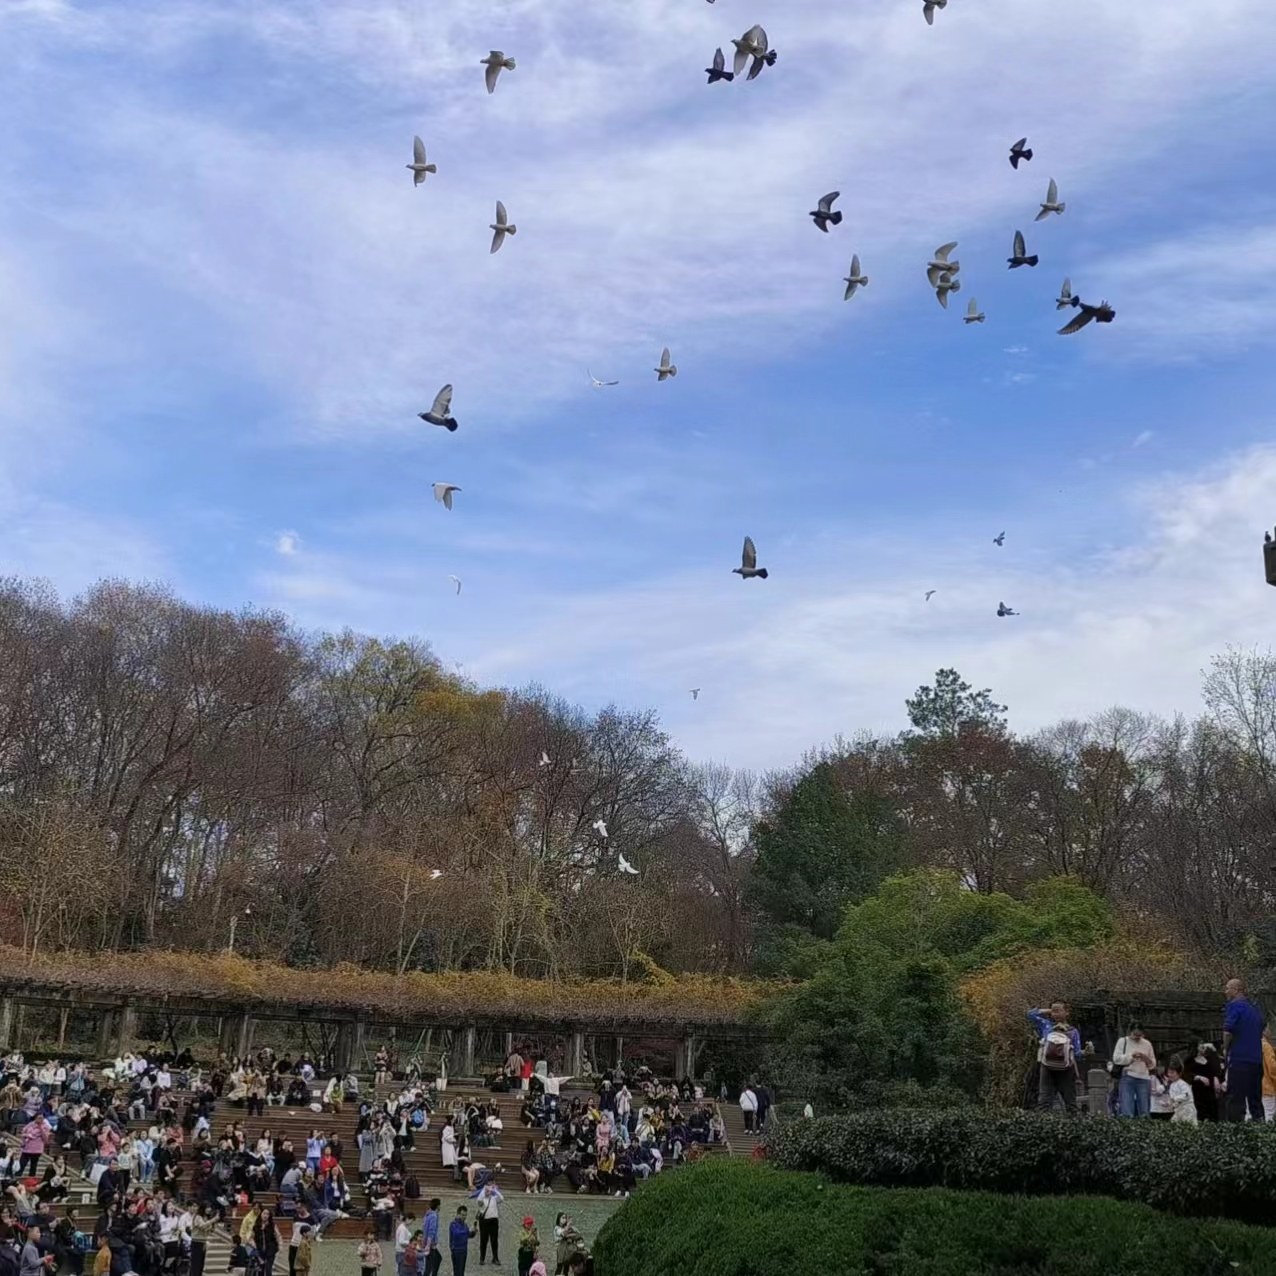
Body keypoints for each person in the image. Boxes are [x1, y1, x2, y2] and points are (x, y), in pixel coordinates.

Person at [1223, 977, 1266, 1122]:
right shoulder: (1255, 1009)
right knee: (1255, 1098)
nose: (1226, 991)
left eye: (1228, 988)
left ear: (1236, 990)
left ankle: (1234, 1133)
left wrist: (1225, 1049)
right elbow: (1261, 1028)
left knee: (1235, 1099)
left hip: (1239, 1059)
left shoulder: (1235, 1006)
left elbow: (1228, 1031)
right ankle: (1260, 1128)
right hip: (1256, 1059)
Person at [1026, 1003, 1082, 1114]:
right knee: (1045, 1100)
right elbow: (1030, 1014)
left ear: (1067, 1012)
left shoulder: (1071, 1031)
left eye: (1059, 1010)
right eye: (1054, 1011)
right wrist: (1048, 1010)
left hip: (1059, 1067)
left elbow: (1077, 1053)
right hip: (1051, 1067)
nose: (1055, 1013)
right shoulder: (1046, 1025)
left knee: (1068, 1101)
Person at [1113, 1025, 1156, 1117]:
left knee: (1144, 1110)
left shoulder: (1147, 1044)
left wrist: (1145, 1058)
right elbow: (1116, 1059)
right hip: (1128, 1076)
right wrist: (1131, 1056)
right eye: (1135, 1034)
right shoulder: (1122, 1041)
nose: (1137, 1037)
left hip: (1143, 1077)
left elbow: (1152, 1065)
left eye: (1139, 1035)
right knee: (1127, 1108)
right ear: (1130, 1032)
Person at [1184, 1043, 1223, 1121]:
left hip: (1210, 1090)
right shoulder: (1190, 1061)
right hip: (1198, 1091)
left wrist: (1213, 1050)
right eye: (1200, 1045)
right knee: (1201, 1113)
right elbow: (1186, 1074)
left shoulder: (1209, 1059)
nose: (1202, 1047)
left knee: (1213, 1111)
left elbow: (1216, 1067)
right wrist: (1198, 1077)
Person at [475, 1183, 502, 1267]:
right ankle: (482, 1258)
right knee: (483, 1240)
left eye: (488, 1191)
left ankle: (495, 1258)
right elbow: (479, 1200)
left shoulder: (494, 1199)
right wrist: (484, 1189)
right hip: (484, 1221)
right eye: (486, 1191)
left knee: (494, 1240)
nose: (487, 1192)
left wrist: (495, 1190)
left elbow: (501, 1198)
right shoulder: (482, 1200)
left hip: (494, 1221)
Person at [448, 1207, 476, 1276]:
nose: (464, 1217)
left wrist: (473, 1232)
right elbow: (457, 1233)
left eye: (465, 1215)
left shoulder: (465, 1225)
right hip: (457, 1251)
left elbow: (468, 1235)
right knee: (458, 1272)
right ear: (458, 1214)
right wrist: (468, 1231)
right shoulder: (453, 1224)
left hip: (464, 1250)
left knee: (461, 1271)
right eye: (463, 1215)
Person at [422, 1199, 442, 1276]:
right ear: (438, 1206)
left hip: (426, 1242)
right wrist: (429, 1244)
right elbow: (431, 1231)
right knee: (429, 1266)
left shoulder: (427, 1214)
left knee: (437, 1259)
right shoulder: (434, 1216)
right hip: (430, 1244)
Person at [1262, 1027, 1276, 1123]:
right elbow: (1272, 1068)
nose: (1270, 1032)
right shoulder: (1266, 1046)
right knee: (1269, 1116)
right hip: (1267, 1087)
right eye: (1268, 1029)